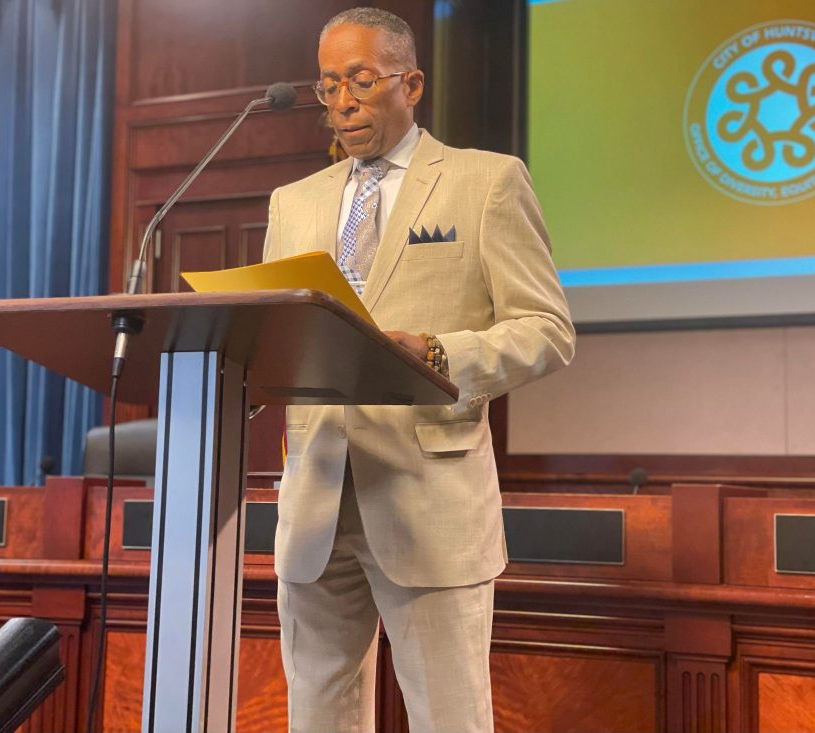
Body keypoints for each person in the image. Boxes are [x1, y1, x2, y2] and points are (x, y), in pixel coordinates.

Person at [262, 7, 575, 732]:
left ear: (412, 83)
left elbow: (548, 331)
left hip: (427, 492)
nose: (342, 100)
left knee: (449, 718)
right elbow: (278, 331)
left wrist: (438, 353)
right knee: (317, 717)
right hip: (314, 497)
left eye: (361, 80)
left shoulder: (486, 182)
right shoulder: (293, 203)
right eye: (328, 86)